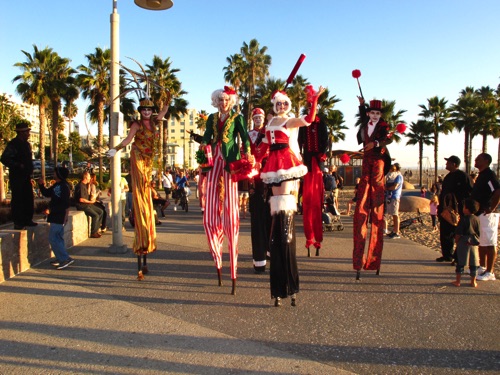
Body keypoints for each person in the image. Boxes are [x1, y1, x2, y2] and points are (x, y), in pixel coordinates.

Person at [260, 85, 325, 306]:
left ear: (288, 105)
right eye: (278, 103)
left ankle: (287, 259)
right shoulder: (270, 122)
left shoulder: (288, 121)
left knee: (285, 209)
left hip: (286, 161)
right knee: (276, 209)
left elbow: (308, 119)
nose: (281, 106)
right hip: (272, 162)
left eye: (284, 103)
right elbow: (263, 144)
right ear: (274, 104)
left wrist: (314, 100)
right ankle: (277, 247)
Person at [107, 98, 169, 280]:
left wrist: (167, 97)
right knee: (140, 185)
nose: (147, 113)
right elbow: (127, 139)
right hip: (138, 155)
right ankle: (141, 202)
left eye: (150, 110)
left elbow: (164, 111)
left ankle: (147, 210)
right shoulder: (137, 124)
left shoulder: (156, 120)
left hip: (149, 160)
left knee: (146, 186)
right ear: (141, 111)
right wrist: (116, 149)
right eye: (144, 110)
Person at [200, 86, 252, 295]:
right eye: (221, 99)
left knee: (231, 214)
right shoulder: (212, 118)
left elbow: (245, 137)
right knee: (209, 216)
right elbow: (206, 137)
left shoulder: (237, 118)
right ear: (216, 101)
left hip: (230, 162)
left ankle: (232, 268)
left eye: (227, 99)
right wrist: (204, 149)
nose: (224, 103)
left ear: (231, 101)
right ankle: (217, 256)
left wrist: (247, 153)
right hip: (213, 160)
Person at [353, 98, 393, 280]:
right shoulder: (365, 121)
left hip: (377, 161)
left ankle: (373, 261)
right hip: (366, 162)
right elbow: (362, 115)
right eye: (372, 113)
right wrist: (362, 104)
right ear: (369, 114)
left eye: (378, 113)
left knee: (376, 207)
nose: (375, 115)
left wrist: (375, 144)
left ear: (380, 115)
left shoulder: (384, 126)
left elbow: (387, 140)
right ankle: (358, 261)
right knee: (361, 208)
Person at [298, 112, 328, 257]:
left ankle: (318, 238)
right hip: (307, 163)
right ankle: (309, 237)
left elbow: (326, 141)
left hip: (317, 164)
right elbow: (299, 142)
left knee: (317, 204)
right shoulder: (303, 124)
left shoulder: (321, 123)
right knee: (307, 204)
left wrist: (322, 154)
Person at [1, 121, 36, 229]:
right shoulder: (13, 144)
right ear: (21, 133)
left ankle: (27, 219)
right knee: (18, 199)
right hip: (17, 176)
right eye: (26, 132)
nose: (28, 134)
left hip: (26, 175)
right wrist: (18, 165)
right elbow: (4, 158)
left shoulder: (26, 144)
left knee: (28, 197)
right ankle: (18, 222)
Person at [248, 107, 271, 273]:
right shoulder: (249, 135)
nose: (258, 119)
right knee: (256, 217)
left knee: (271, 216)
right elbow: (246, 152)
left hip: (269, 175)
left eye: (260, 117)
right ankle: (259, 257)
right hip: (254, 177)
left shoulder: (269, 132)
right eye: (255, 117)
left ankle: (270, 249)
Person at [437, 156, 473, 263]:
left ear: (454, 164)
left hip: (458, 210)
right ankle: (447, 255)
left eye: (448, 163)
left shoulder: (463, 176)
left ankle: (457, 257)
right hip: (445, 209)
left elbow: (470, 192)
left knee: (458, 233)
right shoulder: (448, 177)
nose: (446, 164)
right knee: (445, 232)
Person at [471, 153, 500, 281]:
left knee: (490, 242)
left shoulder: (489, 175)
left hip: (488, 213)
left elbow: (498, 191)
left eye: (478, 159)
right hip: (480, 213)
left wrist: (491, 208)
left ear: (486, 161)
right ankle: (482, 267)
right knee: (482, 241)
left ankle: (490, 271)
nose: (475, 161)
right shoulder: (481, 175)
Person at [37, 167, 74, 270]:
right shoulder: (56, 186)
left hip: (59, 216)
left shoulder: (64, 187)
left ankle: (65, 259)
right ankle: (60, 257)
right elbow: (47, 193)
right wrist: (41, 185)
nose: (53, 173)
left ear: (59, 174)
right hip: (55, 216)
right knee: (58, 238)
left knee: (53, 238)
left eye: (55, 172)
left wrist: (51, 210)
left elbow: (65, 203)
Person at [452, 198, 480, 287]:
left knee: (461, 262)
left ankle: (458, 281)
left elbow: (458, 233)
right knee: (473, 262)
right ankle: (473, 281)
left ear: (466, 209)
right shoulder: (476, 219)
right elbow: (478, 232)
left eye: (464, 207)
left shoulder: (464, 219)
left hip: (464, 240)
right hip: (474, 241)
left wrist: (457, 241)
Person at [74, 171, 104, 238]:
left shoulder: (85, 185)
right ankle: (93, 232)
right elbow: (81, 199)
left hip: (87, 204)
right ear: (85, 178)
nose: (90, 178)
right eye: (89, 177)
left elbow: (88, 195)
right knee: (95, 215)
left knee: (101, 211)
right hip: (82, 205)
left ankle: (96, 230)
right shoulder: (80, 186)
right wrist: (90, 202)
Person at [384, 163, 403, 239]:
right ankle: (394, 230)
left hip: (395, 197)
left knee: (395, 214)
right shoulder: (392, 177)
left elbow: (395, 186)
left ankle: (397, 232)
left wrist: (387, 188)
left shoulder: (398, 176)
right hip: (390, 197)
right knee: (393, 214)